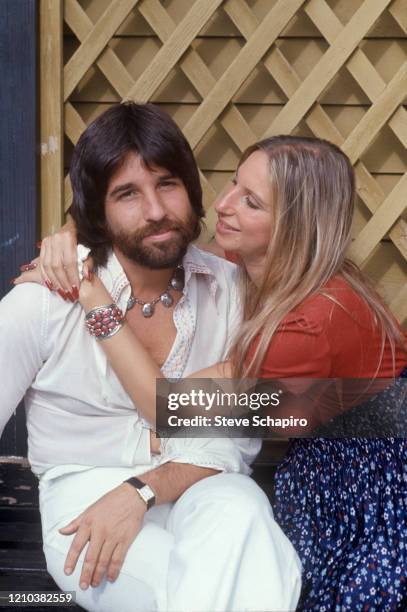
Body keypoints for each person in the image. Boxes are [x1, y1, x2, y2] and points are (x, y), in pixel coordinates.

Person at [24, 134, 407, 610]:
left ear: (296, 225)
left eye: (251, 202)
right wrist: (75, 236)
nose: (223, 206)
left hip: (366, 498)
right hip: (313, 474)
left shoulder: (312, 325)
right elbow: (142, 230)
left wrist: (93, 296)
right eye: (232, 185)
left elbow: (167, 408)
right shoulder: (252, 265)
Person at [2, 103, 301, 612]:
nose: (157, 210)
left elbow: (233, 444)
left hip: (205, 484)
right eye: (127, 194)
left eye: (167, 184)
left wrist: (141, 491)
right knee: (220, 587)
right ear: (96, 211)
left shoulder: (234, 293)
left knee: (245, 517)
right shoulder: (44, 299)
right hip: (85, 500)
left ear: (190, 188)